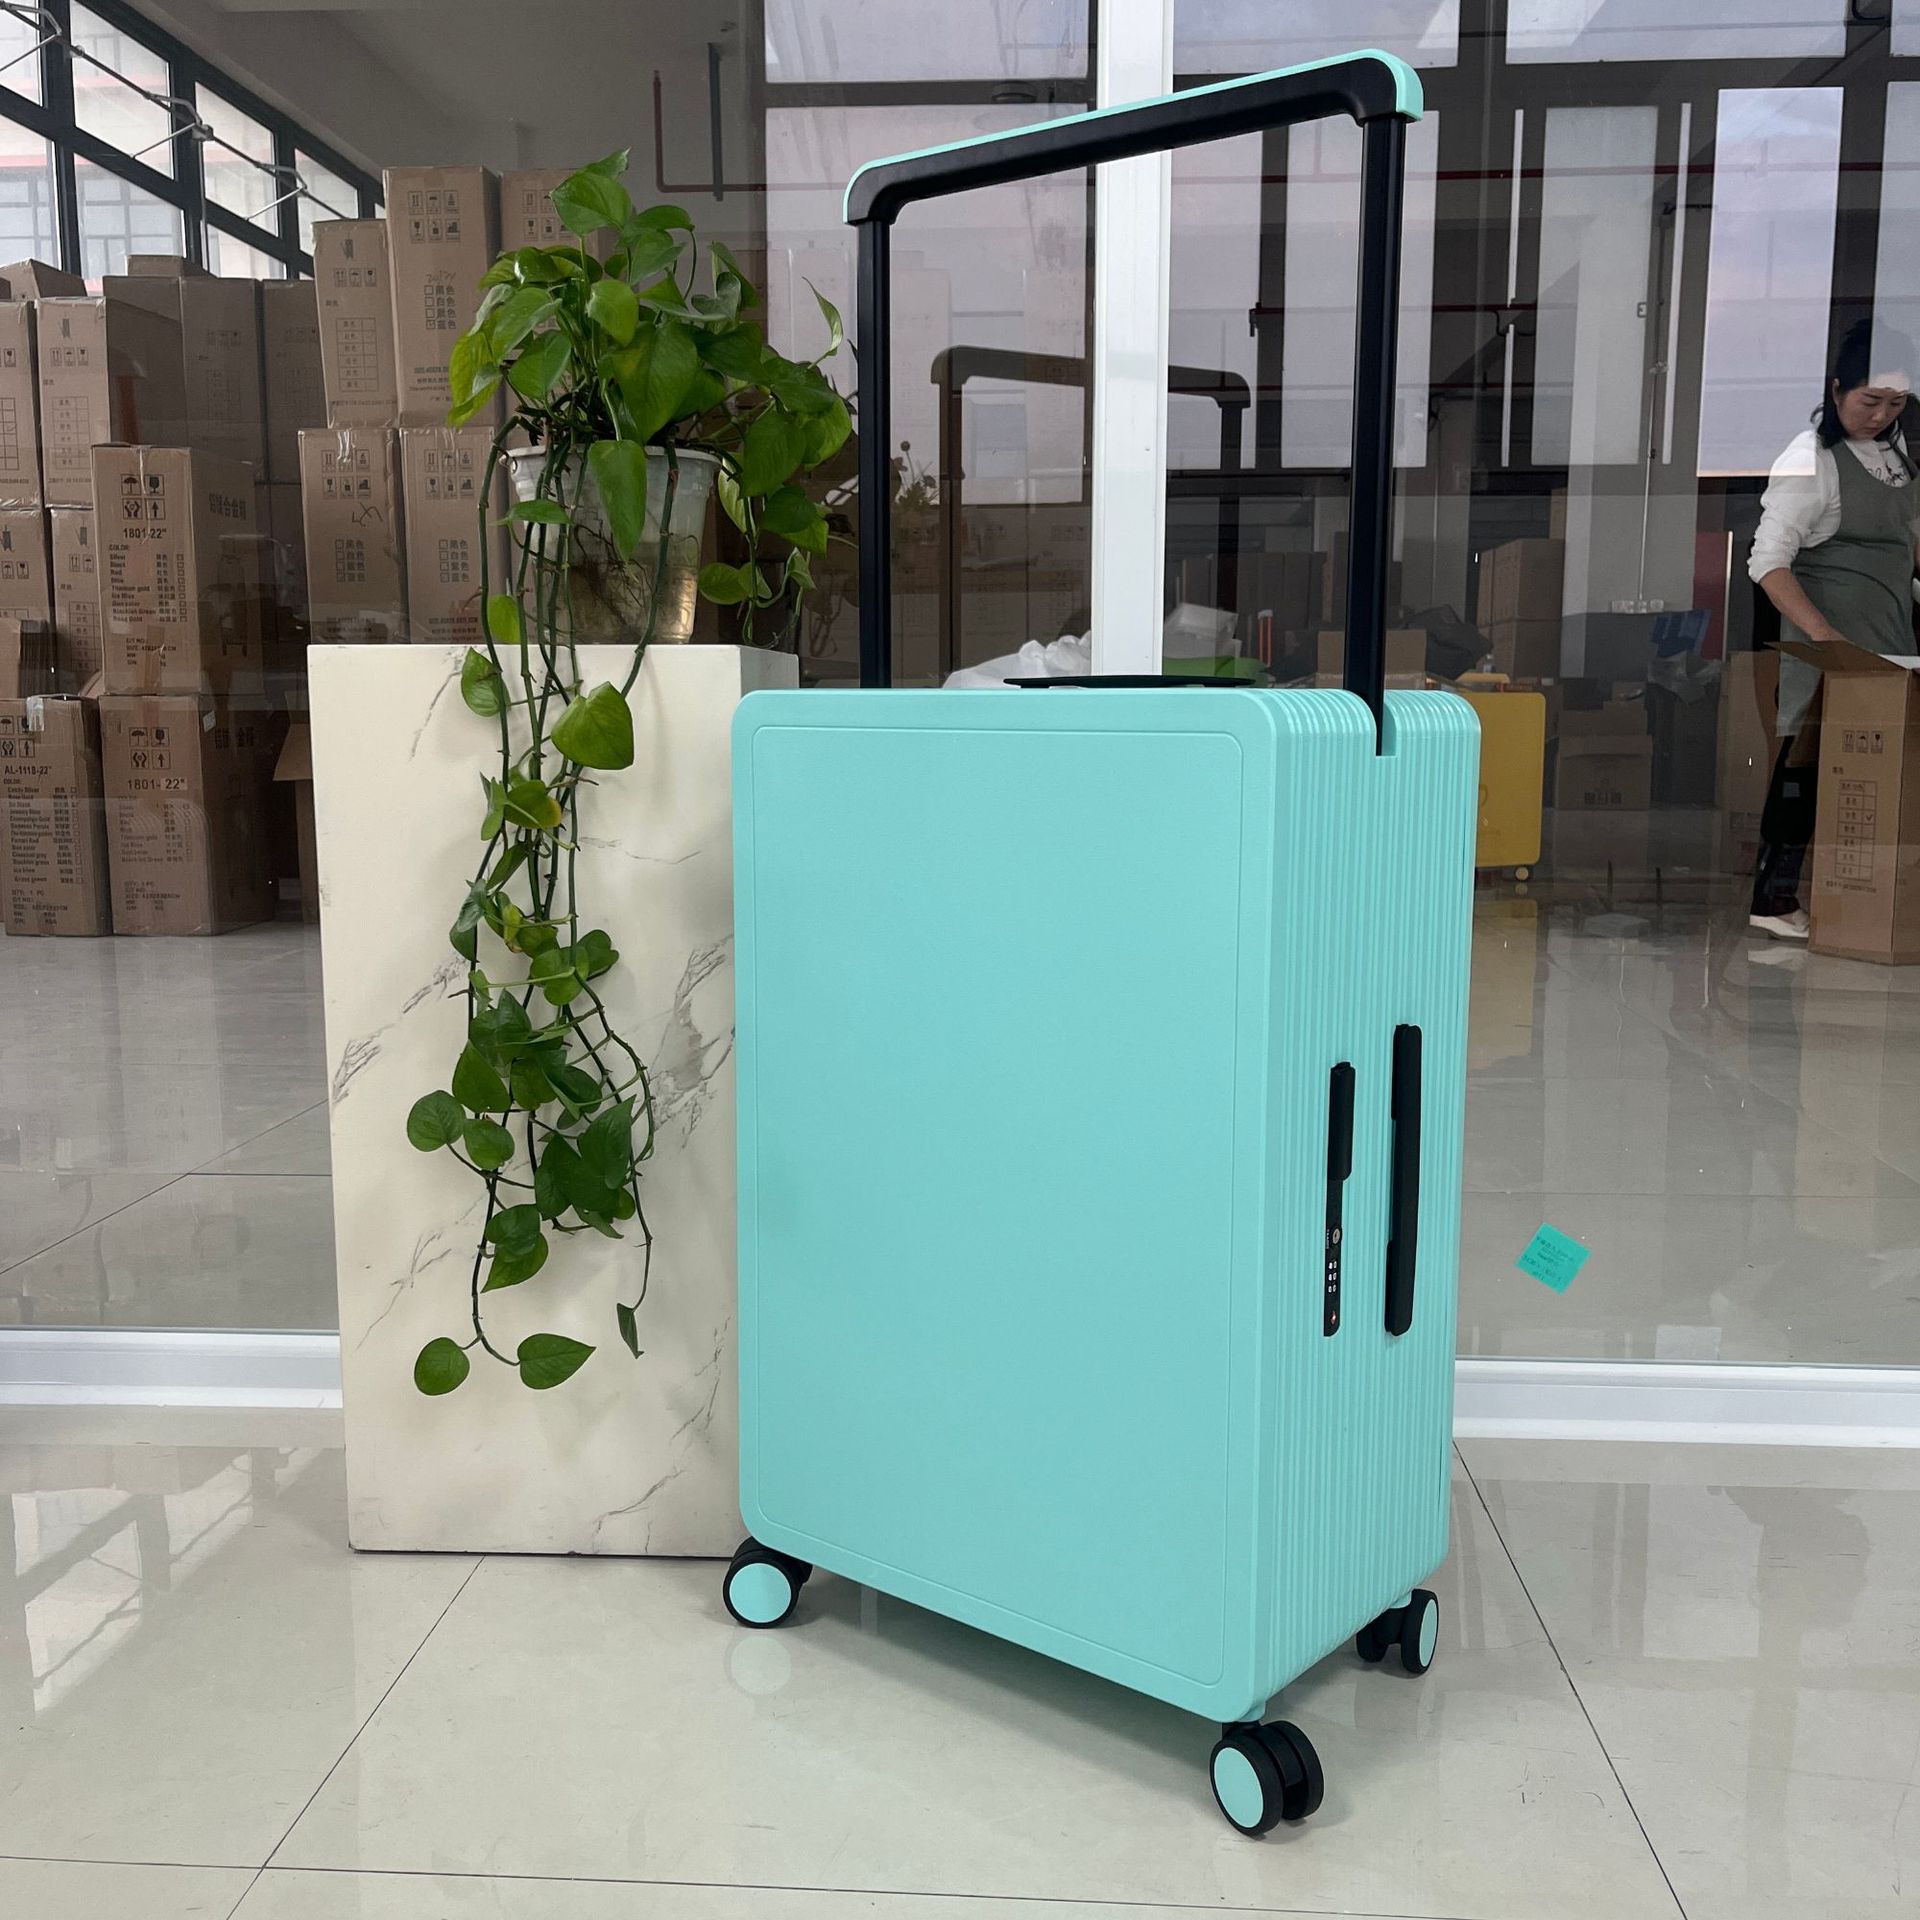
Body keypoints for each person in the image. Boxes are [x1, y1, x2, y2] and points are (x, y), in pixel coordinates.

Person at [1746, 318, 1920, 940]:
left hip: (1893, 643)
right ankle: (1772, 900)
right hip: (1833, 653)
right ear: (1837, 388)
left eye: (1896, 403)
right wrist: (1825, 638)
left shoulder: (1897, 456)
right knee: (1807, 767)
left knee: (1881, 778)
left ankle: (1873, 903)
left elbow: (1900, 549)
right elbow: (1767, 563)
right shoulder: (1810, 459)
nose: (1881, 415)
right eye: (1869, 400)